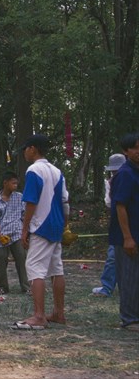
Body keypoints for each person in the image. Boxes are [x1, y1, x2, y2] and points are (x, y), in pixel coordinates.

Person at [11, 134, 69, 330]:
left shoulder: (34, 170)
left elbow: (31, 201)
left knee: (35, 268)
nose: (25, 153)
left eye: (26, 149)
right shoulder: (57, 171)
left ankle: (39, 316)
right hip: (56, 225)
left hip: (41, 225)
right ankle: (59, 313)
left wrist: (25, 228)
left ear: (33, 149)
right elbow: (65, 202)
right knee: (56, 269)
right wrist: (64, 225)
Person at [109, 132, 139, 332]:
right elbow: (120, 206)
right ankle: (129, 319)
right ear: (126, 151)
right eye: (135, 148)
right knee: (129, 277)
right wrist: (128, 237)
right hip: (127, 237)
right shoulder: (125, 173)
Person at [0, 171, 30, 295]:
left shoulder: (19, 197)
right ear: (5, 183)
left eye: (17, 183)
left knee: (21, 257)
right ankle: (2, 287)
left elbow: (24, 215)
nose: (15, 185)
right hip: (1, 234)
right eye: (13, 183)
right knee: (1, 259)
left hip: (16, 232)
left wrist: (25, 232)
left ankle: (26, 286)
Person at [91, 153, 126, 297]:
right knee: (113, 256)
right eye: (114, 171)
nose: (115, 173)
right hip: (118, 224)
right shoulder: (110, 183)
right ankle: (107, 288)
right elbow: (109, 204)